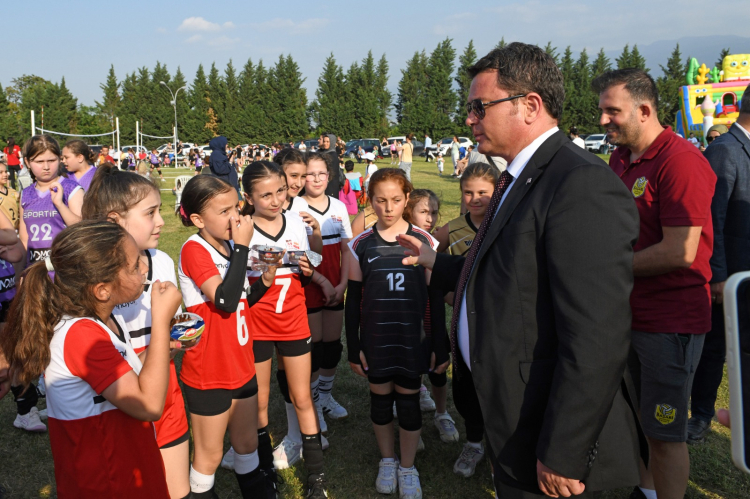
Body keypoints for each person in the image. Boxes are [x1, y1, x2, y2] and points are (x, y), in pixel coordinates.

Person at [398, 42, 644, 498]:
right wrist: (439, 264)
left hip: (551, 433)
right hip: (515, 417)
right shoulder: (519, 175)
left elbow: (597, 335)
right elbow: (511, 272)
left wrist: (565, 450)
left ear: (529, 105)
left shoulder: (579, 183)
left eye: (480, 106)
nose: (469, 119)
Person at [594, 68, 716, 499]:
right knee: (638, 420)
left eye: (612, 111)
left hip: (669, 322)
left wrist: (608, 269)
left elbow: (680, 251)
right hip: (628, 314)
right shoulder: (620, 158)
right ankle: (646, 491)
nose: (603, 120)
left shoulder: (681, 161)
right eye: (602, 110)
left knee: (665, 434)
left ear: (644, 111)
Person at [0, 220, 182, 497]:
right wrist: (160, 320)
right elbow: (148, 405)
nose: (145, 268)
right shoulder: (82, 336)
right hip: (108, 484)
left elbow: (119, 376)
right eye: (135, 265)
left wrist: (158, 350)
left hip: (128, 470)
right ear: (102, 290)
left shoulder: (103, 319)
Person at [81, 165, 191, 499]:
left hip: (166, 387)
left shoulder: (162, 260)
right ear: (115, 220)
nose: (161, 221)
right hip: (124, 396)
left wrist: (178, 334)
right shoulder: (93, 277)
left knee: (177, 490)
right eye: (150, 213)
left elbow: (165, 327)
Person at [346, 168, 447, 499]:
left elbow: (434, 297)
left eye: (395, 200)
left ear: (407, 199)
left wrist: (439, 343)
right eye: (380, 200)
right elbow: (353, 299)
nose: (388, 208)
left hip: (411, 340)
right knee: (380, 403)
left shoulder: (425, 241)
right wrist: (354, 346)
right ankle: (387, 461)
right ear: (370, 200)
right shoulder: (360, 244)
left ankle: (407, 466)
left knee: (408, 403)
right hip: (377, 340)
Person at [178, 175, 274, 498]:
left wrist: (264, 283)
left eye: (236, 208)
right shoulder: (194, 249)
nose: (235, 218)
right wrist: (244, 247)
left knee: (247, 446)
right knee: (210, 456)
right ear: (197, 220)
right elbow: (224, 301)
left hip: (241, 363)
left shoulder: (231, 246)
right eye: (224, 212)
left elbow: (242, 300)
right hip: (210, 370)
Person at [238, 161, 328, 498]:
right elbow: (240, 286)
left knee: (302, 397)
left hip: (293, 321)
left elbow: (309, 267)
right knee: (259, 402)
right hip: (257, 324)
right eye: (265, 195)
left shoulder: (296, 221)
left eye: (280, 191)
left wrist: (308, 261)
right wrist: (265, 271)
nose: (276, 200)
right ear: (249, 197)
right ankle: (265, 472)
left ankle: (316, 478)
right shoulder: (242, 228)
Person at [688, 86, 750, 445]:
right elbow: (713, 219)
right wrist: (718, 276)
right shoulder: (725, 150)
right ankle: (701, 415)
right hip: (728, 278)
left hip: (744, 277)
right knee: (714, 348)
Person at [433, 163, 498, 478]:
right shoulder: (453, 228)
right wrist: (449, 294)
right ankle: (474, 443)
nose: (475, 198)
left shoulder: (507, 222)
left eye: (483, 192)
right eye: (469, 192)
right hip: (465, 325)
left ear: (497, 192)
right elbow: (428, 262)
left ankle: (500, 449)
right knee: (467, 385)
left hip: (501, 325)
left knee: (499, 387)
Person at [301, 152, 352, 430]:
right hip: (309, 285)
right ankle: (313, 403)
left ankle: (325, 397)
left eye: (321, 173)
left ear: (329, 176)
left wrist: (342, 284)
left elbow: (346, 249)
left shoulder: (339, 207)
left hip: (335, 285)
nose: (317, 179)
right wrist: (320, 280)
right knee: (315, 347)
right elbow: (302, 254)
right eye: (310, 174)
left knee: (332, 347)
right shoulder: (295, 207)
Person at [402, 190, 449, 422]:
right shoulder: (402, 241)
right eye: (423, 212)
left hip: (433, 315)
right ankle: (414, 399)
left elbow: (440, 287)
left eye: (434, 212)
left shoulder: (435, 242)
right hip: (411, 317)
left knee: (438, 368)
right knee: (413, 365)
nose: (430, 218)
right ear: (409, 212)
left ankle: (442, 413)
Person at [320, 133, 341, 198]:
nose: (325, 143)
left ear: (332, 142)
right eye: (324, 141)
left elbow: (332, 174)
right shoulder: (325, 153)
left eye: (328, 142)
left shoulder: (332, 156)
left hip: (331, 187)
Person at [0, 162, 20, 229]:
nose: (5, 174)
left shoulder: (12, 192)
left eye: (6, 172)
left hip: (16, 230)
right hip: (4, 232)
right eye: (1, 172)